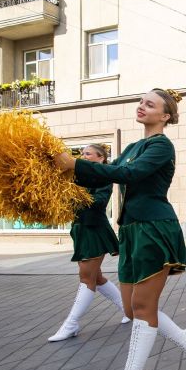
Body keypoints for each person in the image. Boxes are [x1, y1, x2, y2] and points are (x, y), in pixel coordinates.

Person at [54, 89, 186, 370]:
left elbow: (128, 174)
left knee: (144, 307)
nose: (142, 106)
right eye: (141, 102)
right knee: (132, 309)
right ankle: (185, 338)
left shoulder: (161, 145)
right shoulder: (134, 147)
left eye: (150, 104)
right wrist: (60, 174)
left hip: (154, 229)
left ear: (165, 115)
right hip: (131, 231)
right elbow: (107, 177)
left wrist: (76, 163)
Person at [48, 144, 129, 343]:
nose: (83, 156)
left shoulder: (103, 176)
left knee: (86, 278)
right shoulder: (76, 175)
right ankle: (129, 311)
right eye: (82, 153)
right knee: (97, 277)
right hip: (81, 229)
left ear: (101, 158)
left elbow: (99, 202)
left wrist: (73, 195)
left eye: (88, 153)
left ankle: (71, 323)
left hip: (95, 230)